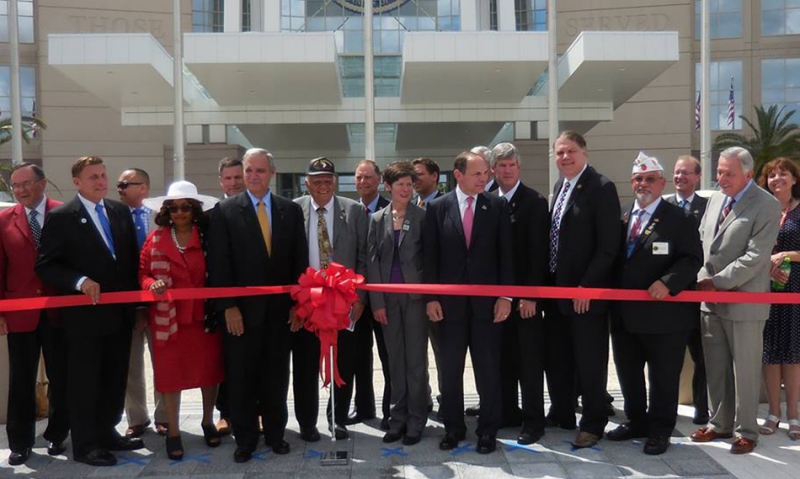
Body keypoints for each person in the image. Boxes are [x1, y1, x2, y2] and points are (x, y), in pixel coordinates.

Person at [36, 156, 145, 466]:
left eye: (102, 175)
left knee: (114, 379)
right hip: (84, 319)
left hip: (119, 315)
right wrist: (80, 281)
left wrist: (137, 306)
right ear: (77, 183)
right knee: (85, 382)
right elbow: (46, 265)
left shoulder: (119, 211)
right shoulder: (62, 217)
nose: (101, 181)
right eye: (93, 176)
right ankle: (85, 445)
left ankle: (107, 432)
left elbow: (129, 262)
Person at [208, 148, 308, 462]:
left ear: (272, 174)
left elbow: (299, 262)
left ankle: (276, 434)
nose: (253, 176)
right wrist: (228, 307)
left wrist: (298, 305)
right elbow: (219, 264)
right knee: (241, 377)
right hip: (241, 314)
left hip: (280, 313)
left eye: (259, 171)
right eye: (248, 170)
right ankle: (246, 439)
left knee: (276, 375)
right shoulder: (224, 211)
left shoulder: (289, 210)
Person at [607, 153, 702, 455]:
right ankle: (636, 421)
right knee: (628, 373)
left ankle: (661, 429)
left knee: (663, 377)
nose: (643, 184)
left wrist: (668, 282)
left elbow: (692, 259)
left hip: (665, 318)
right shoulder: (621, 215)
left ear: (662, 183)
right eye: (638, 178)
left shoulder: (679, 218)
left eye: (650, 179)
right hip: (625, 316)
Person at [691, 146, 781, 454]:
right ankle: (720, 424)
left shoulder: (766, 205)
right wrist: (704, 276)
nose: (721, 178)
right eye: (719, 172)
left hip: (744, 302)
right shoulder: (716, 199)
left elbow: (756, 257)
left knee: (744, 370)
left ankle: (746, 430)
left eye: (729, 173)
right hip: (710, 301)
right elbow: (704, 243)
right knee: (716, 367)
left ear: (748, 174)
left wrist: (716, 282)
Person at [423, 151, 513, 454]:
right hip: (449, 308)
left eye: (485, 173)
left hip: (487, 307)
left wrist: (505, 296)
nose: (483, 179)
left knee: (488, 370)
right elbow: (429, 257)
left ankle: (488, 431)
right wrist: (431, 297)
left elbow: (506, 255)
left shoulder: (497, 206)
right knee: (450, 371)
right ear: (458, 175)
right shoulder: (436, 208)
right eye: (477, 174)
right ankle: (453, 428)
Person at [545, 131, 621, 448]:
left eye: (571, 151)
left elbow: (608, 246)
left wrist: (586, 286)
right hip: (558, 294)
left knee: (590, 363)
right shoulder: (560, 186)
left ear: (585, 152)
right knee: (560, 359)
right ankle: (563, 412)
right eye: (560, 152)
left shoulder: (601, 188)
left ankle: (593, 422)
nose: (565, 157)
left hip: (586, 295)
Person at [139, 181, 224, 460]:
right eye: (173, 207)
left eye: (186, 206)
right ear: (166, 211)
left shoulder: (209, 237)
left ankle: (207, 421)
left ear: (195, 209)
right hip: (168, 319)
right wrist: (151, 283)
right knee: (170, 376)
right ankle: (173, 431)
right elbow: (142, 273)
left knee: (209, 373)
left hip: (204, 317)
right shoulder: (155, 239)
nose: (180, 212)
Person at [294, 157, 369, 440]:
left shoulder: (353, 211)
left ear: (335, 182)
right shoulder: (294, 210)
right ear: (307, 183)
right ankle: (306, 422)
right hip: (307, 300)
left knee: (342, 361)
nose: (322, 185)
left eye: (327, 180)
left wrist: (360, 297)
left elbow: (363, 254)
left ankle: (337, 418)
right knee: (305, 363)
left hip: (344, 301)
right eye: (316, 180)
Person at [0, 163, 68, 465]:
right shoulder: (3, 220)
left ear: (42, 182)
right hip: (20, 313)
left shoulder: (65, 214)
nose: (20, 190)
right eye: (15, 185)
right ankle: (20, 442)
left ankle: (57, 434)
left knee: (61, 377)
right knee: (21, 380)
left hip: (58, 312)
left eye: (25, 183)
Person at [491, 143, 550, 445]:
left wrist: (531, 296)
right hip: (498, 300)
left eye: (511, 165)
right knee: (503, 360)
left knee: (529, 363)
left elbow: (538, 254)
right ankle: (508, 413)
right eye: (501, 166)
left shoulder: (534, 202)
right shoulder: (489, 201)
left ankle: (533, 421)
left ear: (519, 168)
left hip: (525, 299)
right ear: (493, 170)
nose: (507, 170)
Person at [367, 161, 428, 446]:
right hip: (387, 300)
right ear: (387, 187)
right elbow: (372, 261)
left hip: (415, 299)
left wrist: (429, 298)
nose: (405, 189)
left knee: (415, 361)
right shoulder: (377, 219)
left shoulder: (423, 216)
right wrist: (376, 301)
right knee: (395, 361)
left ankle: (417, 420)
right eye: (400, 184)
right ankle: (397, 419)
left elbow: (430, 260)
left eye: (409, 184)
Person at [117, 168, 168, 438]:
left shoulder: (161, 217)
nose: (120, 189)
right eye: (118, 184)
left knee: (162, 361)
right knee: (131, 365)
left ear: (144, 188)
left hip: (160, 300)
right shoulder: (113, 216)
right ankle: (137, 418)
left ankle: (165, 417)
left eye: (125, 184)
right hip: (126, 302)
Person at [665, 154, 710, 425]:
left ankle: (702, 411)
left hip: (700, 294)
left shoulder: (710, 206)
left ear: (697, 177)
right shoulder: (664, 206)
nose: (680, 177)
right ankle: (665, 411)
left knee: (702, 358)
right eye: (677, 172)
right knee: (668, 361)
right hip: (670, 296)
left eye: (686, 173)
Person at [758, 157, 800, 439]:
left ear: (794, 179)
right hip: (764, 289)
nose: (777, 179)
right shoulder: (763, 211)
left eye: (783, 174)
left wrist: (786, 255)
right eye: (771, 175)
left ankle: (794, 415)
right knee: (770, 354)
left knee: (793, 355)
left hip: (795, 289)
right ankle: (773, 413)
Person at [350, 159, 392, 430]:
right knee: (358, 355)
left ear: (379, 180)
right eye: (358, 178)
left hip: (385, 298)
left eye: (368, 177)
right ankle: (363, 406)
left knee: (389, 356)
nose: (363, 182)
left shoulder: (391, 209)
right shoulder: (349, 211)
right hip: (355, 298)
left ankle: (391, 410)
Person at [214, 156, 244, 435]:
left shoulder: (261, 209)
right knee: (227, 359)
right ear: (220, 181)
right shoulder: (212, 213)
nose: (234, 183)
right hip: (224, 302)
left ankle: (255, 411)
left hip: (258, 299)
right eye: (229, 178)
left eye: (239, 177)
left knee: (257, 361)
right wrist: (226, 304)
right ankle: (226, 413)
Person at [411, 156, 443, 413]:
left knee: (443, 353)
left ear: (435, 176)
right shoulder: (408, 206)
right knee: (416, 353)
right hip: (411, 295)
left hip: (438, 294)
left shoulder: (446, 206)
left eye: (419, 174)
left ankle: (448, 398)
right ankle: (422, 399)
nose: (414, 180)